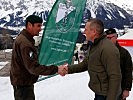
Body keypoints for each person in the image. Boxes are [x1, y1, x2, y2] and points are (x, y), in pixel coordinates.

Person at [62, 18, 122, 100]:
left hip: (106, 95)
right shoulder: (95, 45)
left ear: (94, 32)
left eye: (86, 29)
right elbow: (86, 64)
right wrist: (67, 69)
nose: (84, 32)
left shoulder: (108, 49)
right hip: (100, 92)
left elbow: (115, 76)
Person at [10, 15, 64, 100]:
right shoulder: (25, 44)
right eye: (38, 26)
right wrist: (56, 69)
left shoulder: (24, 39)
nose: (40, 29)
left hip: (23, 83)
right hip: (23, 85)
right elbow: (33, 68)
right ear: (29, 25)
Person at [105, 28, 132, 100]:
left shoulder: (124, 53)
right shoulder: (101, 52)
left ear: (116, 37)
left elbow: (128, 71)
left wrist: (126, 89)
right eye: (107, 38)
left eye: (112, 37)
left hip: (119, 89)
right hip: (103, 89)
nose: (109, 39)